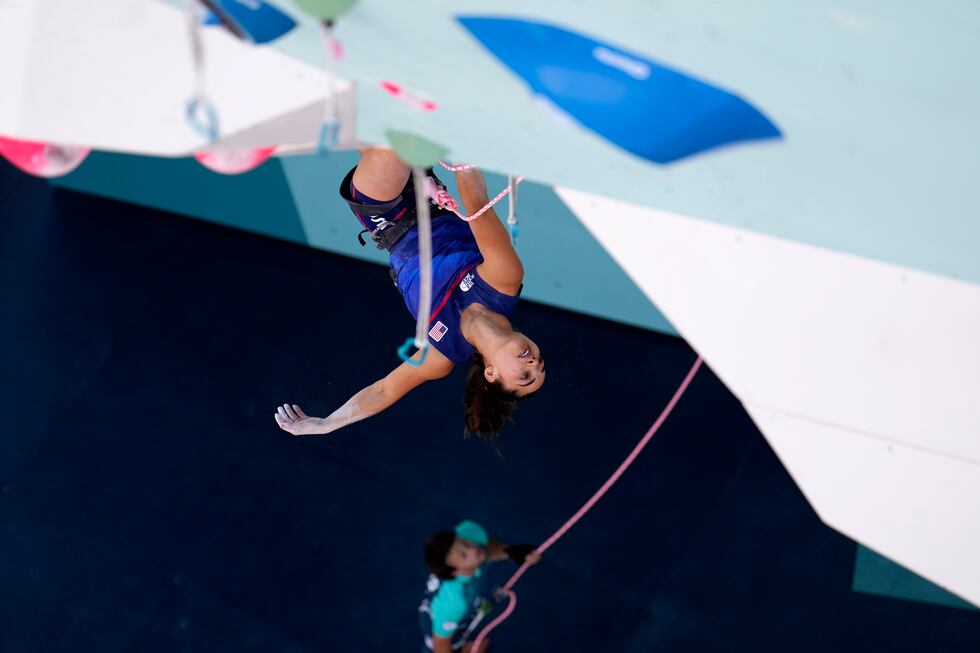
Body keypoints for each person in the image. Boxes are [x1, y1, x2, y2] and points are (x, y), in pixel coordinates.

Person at [275, 148, 545, 440]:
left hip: (386, 214)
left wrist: (326, 423)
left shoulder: (442, 355)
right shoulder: (504, 281)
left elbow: (384, 390)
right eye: (540, 363)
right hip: (426, 189)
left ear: (491, 374)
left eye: (524, 376)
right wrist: (466, 146)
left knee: (393, 138)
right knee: (376, 118)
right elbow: (477, 206)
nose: (533, 362)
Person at [420, 520, 540, 653]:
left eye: (465, 543)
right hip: (440, 629)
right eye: (464, 556)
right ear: (455, 571)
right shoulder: (455, 603)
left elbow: (486, 545)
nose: (473, 549)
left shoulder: (468, 532)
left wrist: (511, 552)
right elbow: (440, 646)